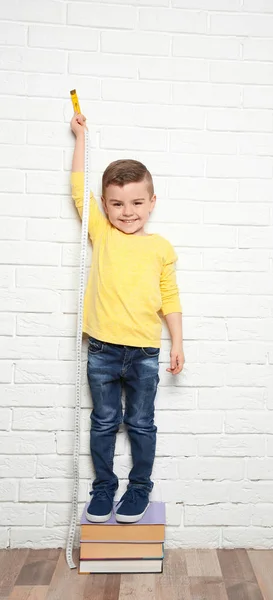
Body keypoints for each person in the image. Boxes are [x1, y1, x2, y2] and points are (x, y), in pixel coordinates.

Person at [70, 113, 184, 524]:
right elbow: (79, 190)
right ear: (105, 205)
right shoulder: (102, 232)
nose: (127, 211)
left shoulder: (160, 248)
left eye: (137, 202)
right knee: (103, 422)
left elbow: (169, 297)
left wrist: (178, 343)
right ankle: (103, 489)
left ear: (152, 202)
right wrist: (81, 137)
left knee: (140, 423)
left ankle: (139, 489)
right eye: (117, 203)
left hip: (144, 353)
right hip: (101, 349)